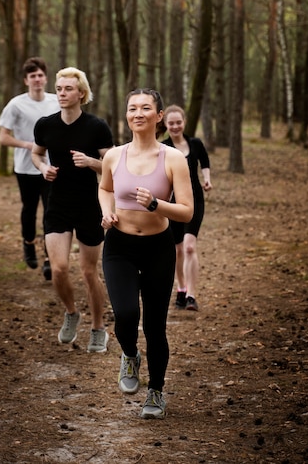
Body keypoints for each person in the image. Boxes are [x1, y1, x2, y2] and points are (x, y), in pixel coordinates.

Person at [98, 89, 193, 419]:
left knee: (155, 326)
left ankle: (155, 391)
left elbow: (186, 212)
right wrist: (107, 212)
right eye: (132, 108)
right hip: (119, 248)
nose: (138, 113)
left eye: (146, 108)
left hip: (157, 248)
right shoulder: (113, 156)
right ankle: (129, 355)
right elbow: (105, 187)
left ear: (159, 116)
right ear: (127, 115)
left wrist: (156, 204)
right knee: (124, 314)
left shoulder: (173, 159)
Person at [31, 67, 114, 353]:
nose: (62, 93)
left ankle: (98, 328)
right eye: (60, 88)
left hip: (89, 204)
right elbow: (36, 152)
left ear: (81, 93)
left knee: (89, 272)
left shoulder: (97, 126)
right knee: (58, 269)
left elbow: (113, 166)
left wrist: (91, 162)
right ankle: (71, 313)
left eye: (68, 89)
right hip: (58, 203)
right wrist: (43, 169)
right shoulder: (45, 124)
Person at [0, 57, 60, 278]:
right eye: (32, 76)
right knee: (29, 209)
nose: (37, 79)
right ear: (26, 80)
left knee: (50, 211)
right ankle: (28, 243)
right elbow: (3, 138)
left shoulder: (56, 101)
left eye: (40, 75)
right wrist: (27, 144)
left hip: (50, 167)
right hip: (25, 167)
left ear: (46, 78)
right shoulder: (16, 104)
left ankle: (48, 258)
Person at [162, 105, 212, 311]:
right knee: (178, 250)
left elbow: (205, 162)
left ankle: (191, 294)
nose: (175, 126)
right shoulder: (163, 147)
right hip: (172, 203)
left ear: (184, 122)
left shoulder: (195, 143)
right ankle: (181, 289)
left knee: (190, 246)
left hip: (195, 200)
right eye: (171, 123)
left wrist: (207, 180)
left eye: (178, 122)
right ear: (165, 125)